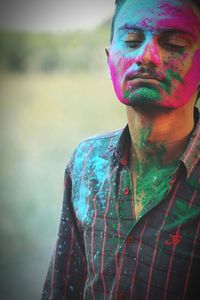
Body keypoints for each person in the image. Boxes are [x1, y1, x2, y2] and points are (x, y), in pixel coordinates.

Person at [41, 0, 200, 299]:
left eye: (175, 43)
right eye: (131, 41)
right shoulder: (87, 162)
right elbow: (61, 288)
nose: (147, 56)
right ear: (109, 59)